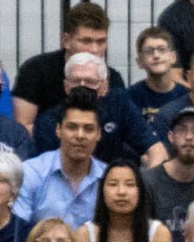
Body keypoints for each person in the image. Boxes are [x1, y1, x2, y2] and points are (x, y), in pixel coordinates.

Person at [30, 53, 163, 170]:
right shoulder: (48, 122)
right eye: (76, 81)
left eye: (90, 81)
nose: (82, 86)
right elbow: (45, 169)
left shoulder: (119, 103)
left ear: (104, 87)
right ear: (66, 86)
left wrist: (147, 188)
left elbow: (156, 150)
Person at [13, 1, 126, 127]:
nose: (95, 49)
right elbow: (23, 127)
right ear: (66, 41)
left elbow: (121, 127)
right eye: (86, 41)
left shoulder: (113, 78)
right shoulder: (36, 70)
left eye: (101, 42)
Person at [14, 90, 108, 229]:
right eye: (72, 127)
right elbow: (18, 233)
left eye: (88, 129)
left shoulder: (108, 177)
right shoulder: (30, 172)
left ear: (98, 134)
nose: (80, 135)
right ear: (58, 130)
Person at [141, 104, 194, 240]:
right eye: (182, 130)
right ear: (171, 136)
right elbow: (142, 239)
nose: (189, 137)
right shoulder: (147, 181)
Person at [124, 28, 187, 126]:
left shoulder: (187, 96)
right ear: (139, 61)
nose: (156, 55)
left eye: (162, 49)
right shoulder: (130, 97)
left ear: (173, 57)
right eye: (149, 51)